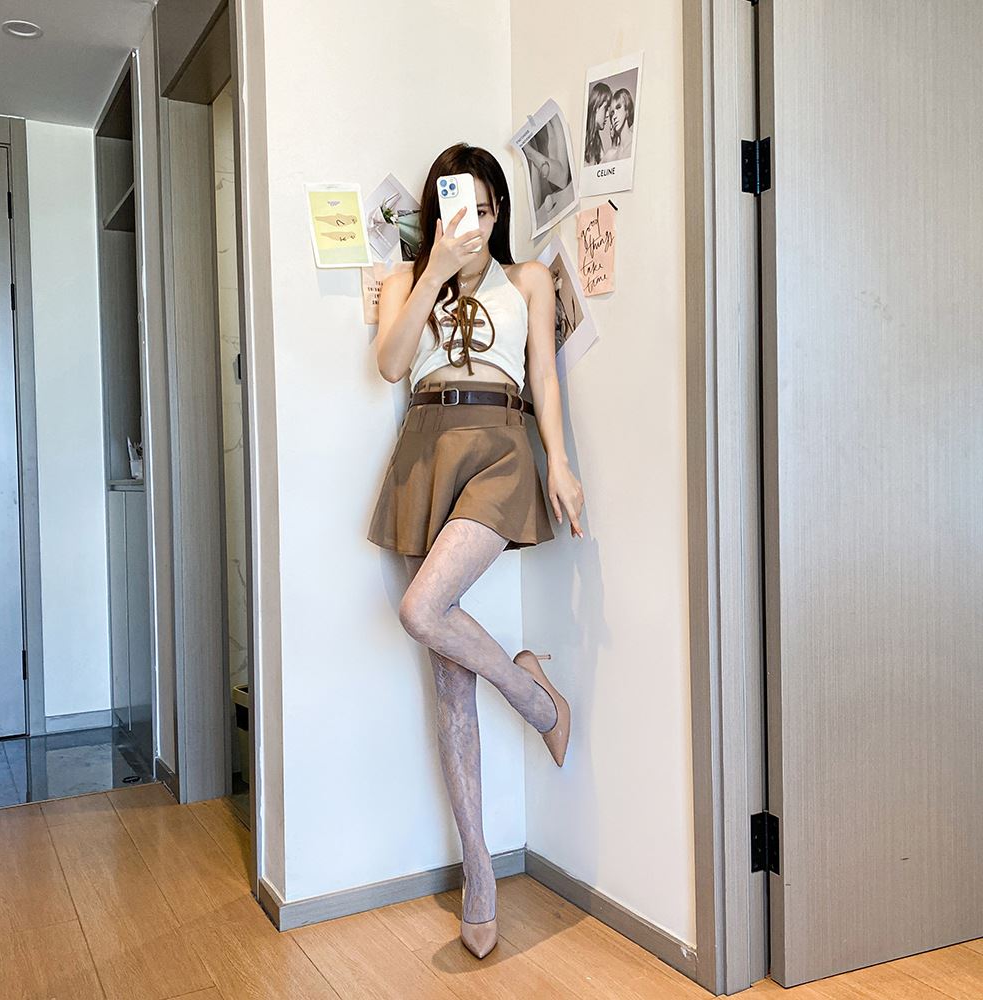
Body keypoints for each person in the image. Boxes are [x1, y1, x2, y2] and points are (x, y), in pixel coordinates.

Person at [367, 142, 584, 960]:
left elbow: (544, 378)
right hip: (424, 450)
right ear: (438, 212)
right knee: (448, 683)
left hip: (499, 445)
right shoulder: (405, 282)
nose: (479, 223)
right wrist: (432, 270)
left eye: (490, 209)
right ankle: (480, 872)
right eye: (465, 208)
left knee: (421, 609)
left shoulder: (527, 279)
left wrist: (559, 462)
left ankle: (538, 703)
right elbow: (391, 364)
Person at [584, 80, 613, 165]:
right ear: (596, 106)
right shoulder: (582, 134)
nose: (607, 115)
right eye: (606, 108)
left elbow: (603, 165)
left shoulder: (596, 140)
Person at [603, 87, 635, 162]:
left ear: (627, 110)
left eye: (618, 107)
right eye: (612, 112)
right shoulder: (612, 153)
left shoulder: (636, 142)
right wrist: (613, 145)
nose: (614, 116)